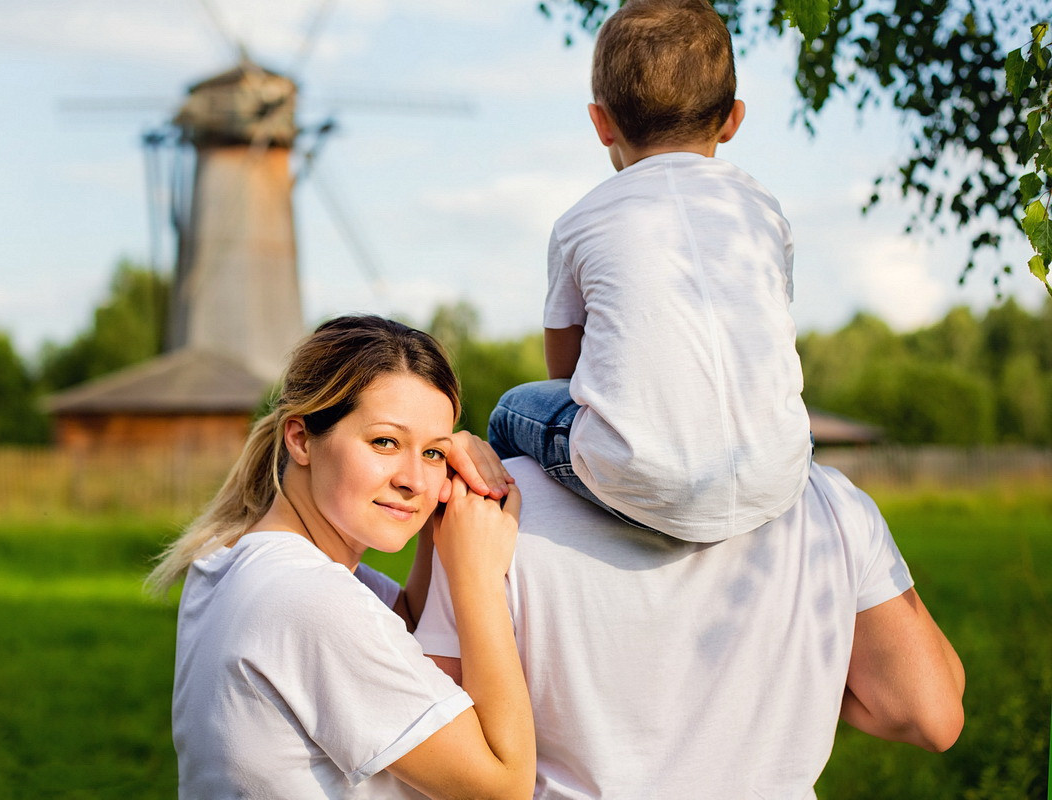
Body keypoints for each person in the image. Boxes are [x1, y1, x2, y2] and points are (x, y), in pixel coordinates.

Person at [146, 315, 535, 800]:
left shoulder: (235, 559)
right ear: (301, 439)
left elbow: (406, 630)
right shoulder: (310, 599)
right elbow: (505, 787)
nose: (414, 480)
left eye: (434, 453)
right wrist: (477, 579)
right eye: (385, 442)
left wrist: (442, 522)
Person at [416, 456, 966, 797]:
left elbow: (440, 758)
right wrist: (801, 673)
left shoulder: (489, 511)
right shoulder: (831, 504)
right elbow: (932, 715)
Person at [488, 0, 812, 542]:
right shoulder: (760, 207)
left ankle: (488, 556)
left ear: (601, 122)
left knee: (509, 412)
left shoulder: (580, 221)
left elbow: (564, 374)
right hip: (779, 473)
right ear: (733, 119)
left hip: (642, 482)